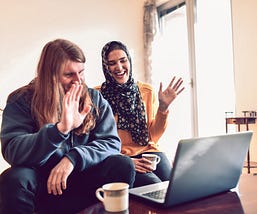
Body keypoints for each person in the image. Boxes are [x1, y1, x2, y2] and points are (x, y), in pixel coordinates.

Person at [0, 39, 136, 214]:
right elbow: (13, 150)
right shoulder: (21, 100)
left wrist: (73, 158)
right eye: (69, 74)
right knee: (14, 179)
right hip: (43, 182)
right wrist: (59, 130)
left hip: (81, 176)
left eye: (81, 72)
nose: (78, 81)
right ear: (49, 75)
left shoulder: (94, 98)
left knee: (122, 164)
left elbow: (111, 143)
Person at [100, 41, 184, 187]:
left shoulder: (146, 91)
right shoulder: (99, 96)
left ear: (129, 60)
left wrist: (163, 108)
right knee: (155, 187)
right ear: (106, 67)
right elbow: (99, 140)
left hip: (149, 152)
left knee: (173, 187)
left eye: (123, 60)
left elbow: (153, 136)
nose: (119, 67)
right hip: (123, 158)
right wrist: (125, 160)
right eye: (112, 63)